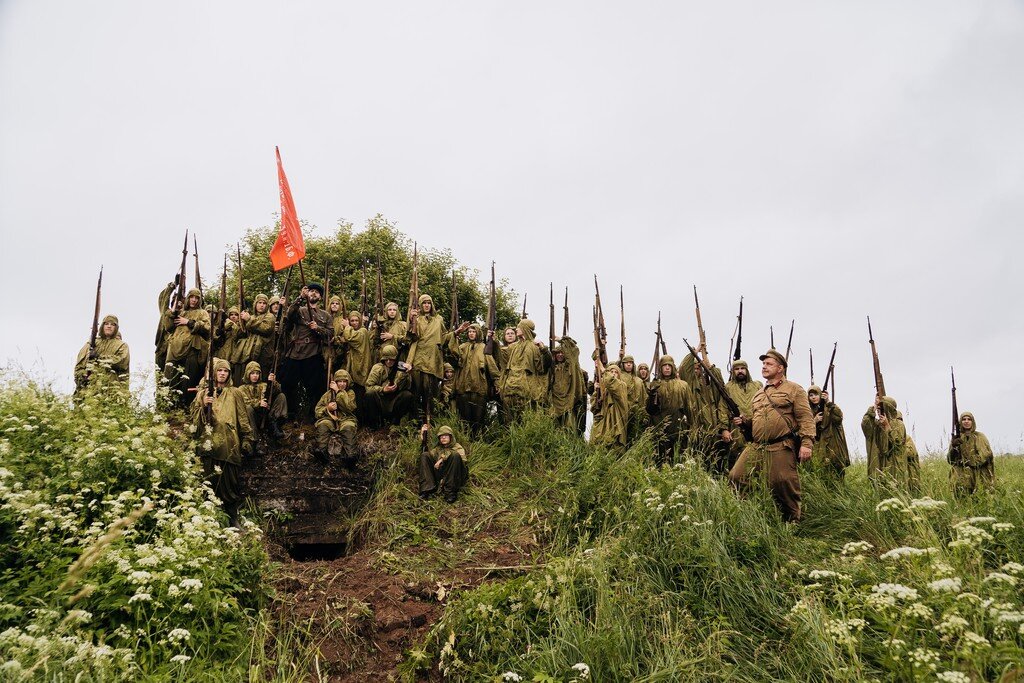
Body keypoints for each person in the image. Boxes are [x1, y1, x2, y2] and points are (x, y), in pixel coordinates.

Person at [728, 349, 814, 522]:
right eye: (763, 364)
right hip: (757, 445)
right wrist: (745, 422)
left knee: (783, 483)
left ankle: (792, 522)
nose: (764, 367)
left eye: (769, 364)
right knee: (736, 476)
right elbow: (758, 420)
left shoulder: (794, 389)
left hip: (781, 445)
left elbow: (805, 417)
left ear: (780, 368)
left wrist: (807, 443)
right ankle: (748, 516)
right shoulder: (759, 393)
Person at [189, 357, 253, 526]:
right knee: (208, 482)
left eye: (225, 371)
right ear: (214, 373)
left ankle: (232, 517)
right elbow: (194, 421)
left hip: (229, 444)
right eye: (219, 370)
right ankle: (207, 519)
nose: (222, 374)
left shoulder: (235, 393)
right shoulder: (203, 393)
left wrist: (247, 438)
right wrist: (203, 405)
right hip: (208, 444)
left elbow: (243, 418)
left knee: (230, 484)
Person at [280, 283, 331, 422]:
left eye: (316, 292)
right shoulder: (299, 310)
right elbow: (289, 315)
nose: (313, 293)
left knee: (314, 387)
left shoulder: (325, 315)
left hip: (313, 353)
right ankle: (290, 415)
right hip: (295, 353)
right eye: (311, 291)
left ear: (320, 297)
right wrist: (300, 297)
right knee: (287, 384)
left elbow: (330, 335)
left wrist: (318, 328)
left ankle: (312, 416)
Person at [162, 288, 211, 408]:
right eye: (191, 297)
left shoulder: (202, 313)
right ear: (187, 298)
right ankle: (168, 406)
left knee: (188, 381)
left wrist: (189, 322)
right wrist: (173, 312)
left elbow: (207, 328)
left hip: (191, 350)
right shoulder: (181, 312)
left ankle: (185, 406)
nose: (194, 300)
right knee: (170, 378)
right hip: (174, 349)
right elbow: (168, 327)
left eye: (196, 298)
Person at [446, 323, 498, 434]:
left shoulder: (484, 347)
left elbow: (492, 367)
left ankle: (478, 443)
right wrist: (455, 337)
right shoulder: (462, 347)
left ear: (478, 332)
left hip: (479, 390)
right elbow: (453, 354)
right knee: (464, 421)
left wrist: (497, 383)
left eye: (473, 331)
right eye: (469, 331)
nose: (471, 333)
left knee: (478, 421)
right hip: (463, 388)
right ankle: (466, 444)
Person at [685, 353, 732, 475]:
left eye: (698, 368)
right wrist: (696, 350)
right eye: (694, 368)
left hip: (715, 432)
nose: (696, 371)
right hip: (698, 433)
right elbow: (684, 369)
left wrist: (708, 364)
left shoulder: (712, 388)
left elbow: (719, 383)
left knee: (718, 466)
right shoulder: (690, 387)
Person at [497, 319, 551, 422]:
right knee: (510, 422)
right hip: (511, 390)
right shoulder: (514, 346)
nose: (516, 329)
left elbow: (544, 366)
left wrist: (544, 350)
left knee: (526, 420)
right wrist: (492, 340)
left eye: (519, 327)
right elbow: (500, 354)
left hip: (526, 391)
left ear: (525, 329)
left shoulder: (534, 346)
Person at [406, 294, 447, 422]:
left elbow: (444, 337)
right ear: (420, 305)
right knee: (416, 393)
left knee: (431, 394)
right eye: (424, 303)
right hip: (418, 359)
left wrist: (456, 333)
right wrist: (411, 319)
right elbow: (410, 337)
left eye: (429, 302)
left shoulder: (438, 320)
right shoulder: (417, 319)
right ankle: (415, 423)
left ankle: (431, 422)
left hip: (433, 361)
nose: (427, 305)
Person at [645, 355, 692, 467]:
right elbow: (650, 410)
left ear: (673, 367)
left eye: (669, 366)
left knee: (680, 461)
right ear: (660, 368)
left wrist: (692, 426)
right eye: (664, 366)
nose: (667, 368)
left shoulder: (683, 385)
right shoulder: (655, 385)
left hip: (679, 428)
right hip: (660, 429)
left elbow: (689, 408)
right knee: (660, 461)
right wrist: (652, 393)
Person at [74, 314, 130, 391]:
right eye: (106, 324)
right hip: (89, 390)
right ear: (102, 326)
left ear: (116, 328)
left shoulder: (122, 345)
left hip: (111, 390)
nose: (109, 326)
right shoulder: (90, 344)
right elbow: (79, 366)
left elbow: (122, 362)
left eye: (112, 324)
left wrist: (99, 358)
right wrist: (82, 378)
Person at [861, 395, 908, 486]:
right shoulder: (876, 425)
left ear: (888, 409)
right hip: (877, 468)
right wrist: (873, 407)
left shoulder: (899, 424)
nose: (878, 410)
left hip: (894, 471)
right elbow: (865, 424)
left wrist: (887, 426)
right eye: (877, 408)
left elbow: (897, 443)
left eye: (881, 408)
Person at [314, 369, 359, 462]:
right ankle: (321, 451)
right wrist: (327, 408)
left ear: (348, 382)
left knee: (348, 427)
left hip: (346, 418)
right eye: (339, 381)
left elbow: (349, 407)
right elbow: (317, 411)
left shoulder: (350, 393)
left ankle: (351, 455)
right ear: (335, 382)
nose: (342, 384)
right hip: (330, 419)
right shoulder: (327, 395)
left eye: (344, 381)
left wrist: (338, 392)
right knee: (323, 424)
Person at [364, 345, 415, 427]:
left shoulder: (401, 368)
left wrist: (407, 374)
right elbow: (368, 386)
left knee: (407, 395)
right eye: (386, 359)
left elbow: (407, 386)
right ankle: (375, 425)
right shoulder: (377, 368)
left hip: (395, 399)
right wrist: (383, 389)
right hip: (381, 399)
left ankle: (396, 423)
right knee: (369, 394)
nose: (388, 361)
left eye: (391, 359)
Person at [806, 386, 849, 482]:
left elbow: (839, 418)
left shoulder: (829, 408)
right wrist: (814, 421)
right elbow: (804, 428)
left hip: (833, 446)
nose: (813, 397)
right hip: (817, 448)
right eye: (811, 395)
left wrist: (828, 402)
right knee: (820, 475)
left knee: (837, 476)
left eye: (816, 394)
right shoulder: (808, 411)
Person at [724, 360, 762, 471]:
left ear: (747, 370)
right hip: (735, 429)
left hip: (755, 428)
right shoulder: (728, 387)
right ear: (733, 372)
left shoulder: (757, 386)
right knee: (735, 461)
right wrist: (724, 429)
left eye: (742, 368)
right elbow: (722, 409)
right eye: (737, 369)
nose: (740, 371)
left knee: (756, 460)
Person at [237, 360, 287, 441]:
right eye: (252, 373)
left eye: (257, 373)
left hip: (268, 416)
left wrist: (273, 382)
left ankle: (275, 425)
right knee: (248, 408)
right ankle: (254, 438)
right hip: (253, 418)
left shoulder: (264, 385)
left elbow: (277, 391)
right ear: (247, 374)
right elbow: (244, 402)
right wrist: (258, 403)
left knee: (281, 396)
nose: (255, 376)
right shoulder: (242, 389)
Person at [418, 424, 469, 503]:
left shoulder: (458, 447)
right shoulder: (438, 448)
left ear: (451, 437)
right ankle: (427, 489)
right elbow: (428, 456)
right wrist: (423, 436)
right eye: (441, 436)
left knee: (455, 455)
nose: (443, 438)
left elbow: (462, 462)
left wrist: (442, 459)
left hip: (456, 477)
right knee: (425, 455)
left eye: (445, 436)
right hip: (442, 474)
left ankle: (450, 492)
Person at [948, 412, 994, 496]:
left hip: (978, 476)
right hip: (960, 477)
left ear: (973, 422)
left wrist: (967, 461)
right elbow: (950, 460)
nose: (966, 421)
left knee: (979, 500)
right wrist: (954, 447)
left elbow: (986, 456)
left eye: (969, 419)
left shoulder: (980, 436)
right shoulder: (957, 438)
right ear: (960, 422)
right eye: (963, 419)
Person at [548, 336, 586, 433]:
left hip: (568, 402)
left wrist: (563, 340)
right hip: (555, 401)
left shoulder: (570, 366)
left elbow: (573, 351)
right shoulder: (552, 369)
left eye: (562, 353)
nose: (560, 355)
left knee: (569, 427)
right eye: (558, 353)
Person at [589, 361, 629, 452]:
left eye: (616, 372)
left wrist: (603, 369)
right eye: (611, 372)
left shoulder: (621, 386)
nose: (614, 374)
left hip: (615, 424)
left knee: (615, 449)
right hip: (602, 425)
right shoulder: (603, 389)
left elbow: (612, 383)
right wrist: (596, 391)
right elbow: (594, 407)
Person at [246, 294, 278, 378]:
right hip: (250, 354)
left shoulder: (270, 316)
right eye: (259, 302)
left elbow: (265, 329)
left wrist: (249, 320)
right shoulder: (252, 317)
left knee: (263, 380)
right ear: (255, 304)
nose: (262, 305)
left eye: (264, 303)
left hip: (264, 355)